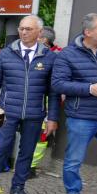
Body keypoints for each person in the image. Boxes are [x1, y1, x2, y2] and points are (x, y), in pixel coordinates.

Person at [0, 15, 59, 194]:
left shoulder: (49, 57)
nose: (23, 32)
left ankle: (17, 188)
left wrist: (52, 117)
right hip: (6, 112)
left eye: (28, 29)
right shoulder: (5, 54)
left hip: (34, 114)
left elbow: (54, 92)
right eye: (21, 28)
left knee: (27, 152)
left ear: (39, 33)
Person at [51, 13, 97, 194]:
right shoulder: (67, 55)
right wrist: (88, 88)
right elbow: (58, 84)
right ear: (88, 32)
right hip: (82, 116)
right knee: (73, 160)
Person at [30, 26, 62, 175]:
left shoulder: (58, 55)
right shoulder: (35, 51)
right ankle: (26, 164)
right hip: (34, 101)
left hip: (50, 103)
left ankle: (31, 166)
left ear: (44, 40)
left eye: (38, 36)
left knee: (42, 136)